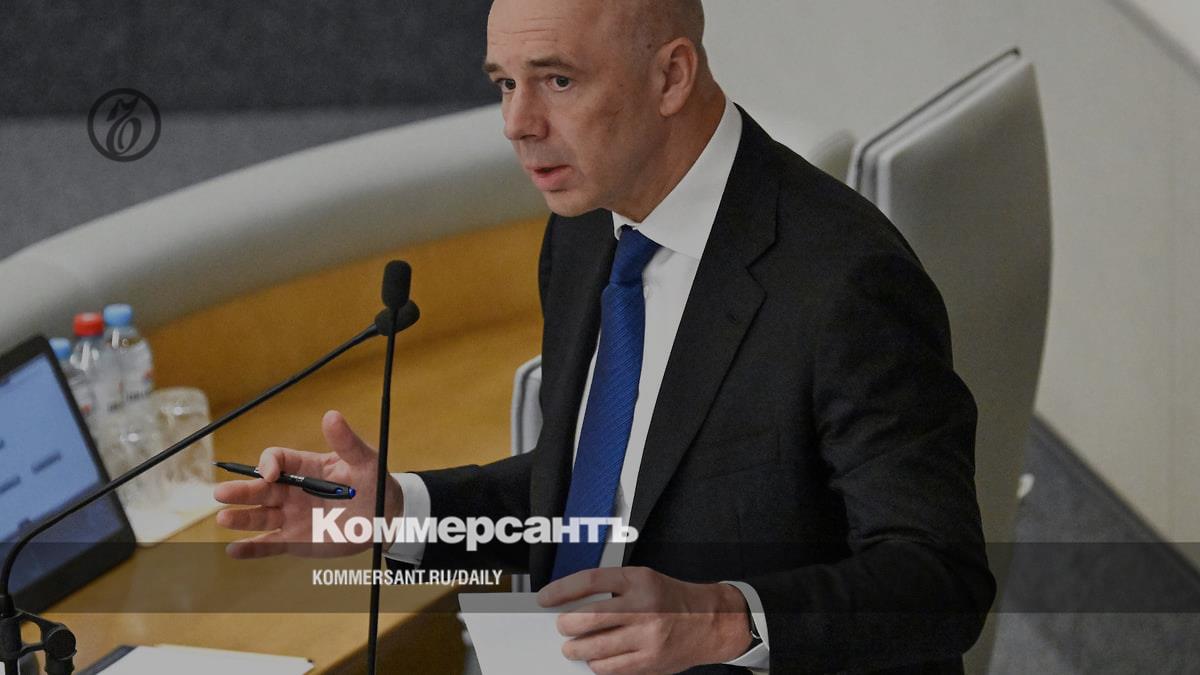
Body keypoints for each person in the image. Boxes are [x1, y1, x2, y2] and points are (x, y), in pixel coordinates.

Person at [214, 0, 996, 672]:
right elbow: (601, 482)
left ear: (671, 76)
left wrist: (723, 617)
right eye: (504, 83)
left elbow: (940, 579)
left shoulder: (847, 281)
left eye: (557, 80)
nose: (517, 124)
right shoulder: (588, 228)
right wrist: (402, 509)